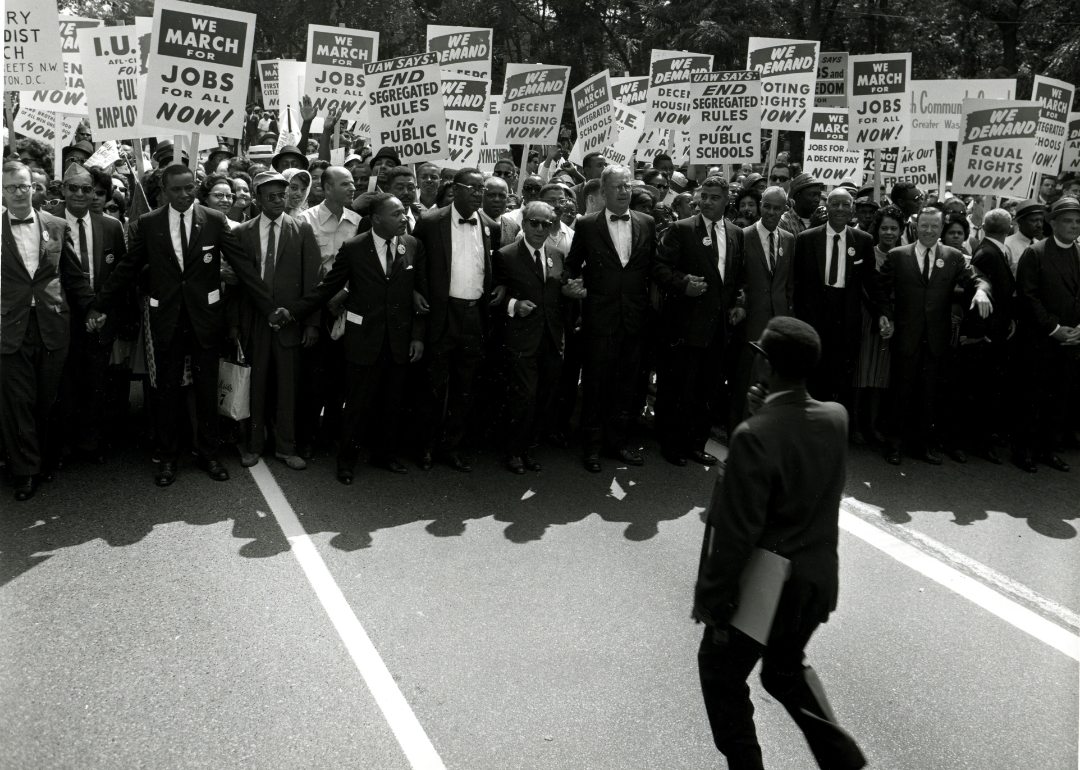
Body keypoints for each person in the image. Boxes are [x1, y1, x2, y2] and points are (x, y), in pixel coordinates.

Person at [694, 316, 867, 770]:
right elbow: (795, 446)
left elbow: (736, 531)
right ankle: (844, 760)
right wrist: (764, 415)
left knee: (720, 674)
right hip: (814, 583)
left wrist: (712, 602)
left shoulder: (754, 436)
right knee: (785, 670)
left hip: (769, 587)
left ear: (767, 366)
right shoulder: (836, 417)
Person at [90, 164, 282, 487]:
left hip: (205, 320)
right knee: (166, 391)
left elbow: (244, 268)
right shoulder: (149, 224)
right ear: (164, 191)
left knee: (207, 389)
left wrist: (270, 308)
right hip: (166, 319)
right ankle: (167, 457)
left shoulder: (215, 221)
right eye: (176, 189)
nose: (183, 195)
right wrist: (98, 306)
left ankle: (209, 455)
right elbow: (126, 270)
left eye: (189, 188)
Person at [287, 193, 427, 482]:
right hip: (364, 341)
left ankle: (384, 455)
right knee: (357, 406)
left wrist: (417, 337)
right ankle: (346, 463)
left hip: (399, 341)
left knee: (392, 403)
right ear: (376, 220)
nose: (404, 218)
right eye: (397, 214)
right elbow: (327, 288)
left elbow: (419, 295)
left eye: (404, 213)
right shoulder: (354, 248)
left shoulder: (412, 245)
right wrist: (292, 312)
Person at [1, 161, 96, 500]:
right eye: (10, 187)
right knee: (18, 401)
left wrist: (93, 307)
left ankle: (42, 458)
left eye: (23, 186)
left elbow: (73, 275)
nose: (18, 193)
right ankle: (25, 472)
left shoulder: (55, 225)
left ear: (34, 187)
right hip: (10, 328)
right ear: (2, 190)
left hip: (52, 324)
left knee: (46, 398)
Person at [878, 206, 992, 465]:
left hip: (936, 338)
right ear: (916, 227)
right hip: (906, 335)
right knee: (900, 392)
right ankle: (894, 445)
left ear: (941, 228)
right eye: (924, 225)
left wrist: (982, 291)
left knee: (929, 394)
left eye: (934, 226)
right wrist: (886, 315)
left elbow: (977, 278)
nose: (929, 230)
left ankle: (922, 446)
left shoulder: (953, 256)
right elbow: (881, 291)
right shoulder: (898, 255)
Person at [229, 171, 321, 470]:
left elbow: (313, 279)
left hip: (290, 322)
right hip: (254, 322)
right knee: (254, 385)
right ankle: (254, 445)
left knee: (287, 387)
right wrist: (234, 325)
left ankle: (285, 447)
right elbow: (238, 283)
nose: (279, 200)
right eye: (271, 196)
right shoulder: (243, 231)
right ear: (257, 198)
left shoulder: (302, 229)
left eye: (283, 194)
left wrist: (311, 323)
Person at [566, 164, 655, 473]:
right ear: (602, 192)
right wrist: (571, 283)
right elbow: (572, 264)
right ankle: (591, 447)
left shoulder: (647, 222)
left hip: (633, 318)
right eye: (617, 186)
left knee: (626, 385)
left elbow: (653, 269)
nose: (624, 191)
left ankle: (617, 443)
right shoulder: (588, 225)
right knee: (596, 384)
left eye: (627, 185)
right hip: (599, 318)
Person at [411, 168, 501, 472]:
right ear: (456, 189)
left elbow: (495, 267)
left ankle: (452, 447)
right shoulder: (430, 222)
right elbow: (413, 262)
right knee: (433, 385)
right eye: (472, 188)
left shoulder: (490, 226)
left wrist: (499, 286)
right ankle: (424, 447)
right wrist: (414, 293)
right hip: (442, 315)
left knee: (466, 386)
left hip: (474, 316)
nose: (479, 194)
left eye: (482, 189)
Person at [652, 175, 745, 467]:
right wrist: (683, 285)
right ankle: (673, 444)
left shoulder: (735, 233)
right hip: (686, 325)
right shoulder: (681, 229)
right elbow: (659, 268)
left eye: (714, 197)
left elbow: (735, 278)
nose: (706, 201)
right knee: (681, 388)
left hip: (718, 328)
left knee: (708, 390)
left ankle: (696, 443)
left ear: (727, 201)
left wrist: (739, 304)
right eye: (704, 196)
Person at [49, 163, 129, 467]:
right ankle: (64, 444)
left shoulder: (110, 226)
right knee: (64, 384)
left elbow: (119, 275)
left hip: (100, 320)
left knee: (96, 384)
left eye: (87, 189)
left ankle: (90, 443)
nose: (80, 194)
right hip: (62, 319)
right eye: (73, 188)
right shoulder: (49, 223)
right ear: (63, 190)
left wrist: (102, 311)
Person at [493, 201, 583, 473]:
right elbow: (494, 297)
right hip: (522, 340)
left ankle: (529, 449)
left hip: (552, 340)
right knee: (524, 397)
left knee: (543, 398)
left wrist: (570, 294)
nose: (541, 229)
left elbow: (557, 295)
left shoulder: (557, 255)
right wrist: (514, 305)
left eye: (547, 224)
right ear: (524, 223)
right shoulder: (506, 255)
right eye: (535, 222)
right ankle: (513, 452)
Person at [792, 187, 882, 409]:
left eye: (845, 204)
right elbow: (797, 282)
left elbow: (872, 283)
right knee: (812, 373)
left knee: (839, 377)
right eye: (835, 204)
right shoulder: (806, 239)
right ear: (827, 207)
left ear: (852, 209)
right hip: (814, 317)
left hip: (846, 317)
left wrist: (884, 313)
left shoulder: (863, 240)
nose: (840, 209)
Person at [294, 166, 361, 456]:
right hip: (317, 309)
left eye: (353, 183)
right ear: (327, 187)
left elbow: (362, 268)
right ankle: (307, 437)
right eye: (345, 183)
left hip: (347, 308)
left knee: (341, 377)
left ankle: (333, 433)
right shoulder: (304, 221)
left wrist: (344, 294)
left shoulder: (358, 222)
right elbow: (301, 270)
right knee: (314, 378)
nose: (353, 188)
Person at [1013, 197, 1080, 472]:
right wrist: (1054, 329)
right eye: (1067, 220)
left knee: (1059, 398)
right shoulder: (1036, 252)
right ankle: (1024, 451)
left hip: (1072, 341)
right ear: (1053, 223)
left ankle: (1047, 450)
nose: (1073, 226)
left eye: (1077, 221)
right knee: (1034, 397)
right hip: (1041, 340)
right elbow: (1028, 297)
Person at [947, 208, 1015, 464]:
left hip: (995, 332)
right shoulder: (987, 253)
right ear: (1009, 228)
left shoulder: (992, 249)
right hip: (983, 337)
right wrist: (981, 334)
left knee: (982, 391)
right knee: (972, 392)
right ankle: (964, 443)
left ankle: (976, 442)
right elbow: (975, 296)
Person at [730, 186, 795, 427]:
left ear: (784, 210)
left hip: (776, 322)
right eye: (766, 206)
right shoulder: (742, 235)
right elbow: (737, 279)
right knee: (744, 380)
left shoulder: (788, 239)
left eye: (776, 208)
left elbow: (788, 285)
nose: (770, 212)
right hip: (749, 319)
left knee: (770, 380)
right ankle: (738, 432)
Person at [850, 204, 904, 445]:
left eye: (894, 228)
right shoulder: (868, 251)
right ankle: (855, 426)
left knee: (879, 379)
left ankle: (872, 426)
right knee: (861, 375)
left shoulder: (905, 256)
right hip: (867, 318)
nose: (889, 233)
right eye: (885, 228)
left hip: (891, 322)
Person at [1004, 199, 1044, 275]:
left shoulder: (1041, 246)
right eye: (1033, 220)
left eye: (1041, 220)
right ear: (1020, 222)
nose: (1039, 225)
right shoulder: (1007, 245)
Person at [778, 173, 823, 237]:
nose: (817, 199)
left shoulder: (822, 220)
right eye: (812, 195)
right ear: (798, 197)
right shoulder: (784, 222)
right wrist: (812, 226)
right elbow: (790, 246)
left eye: (819, 195)